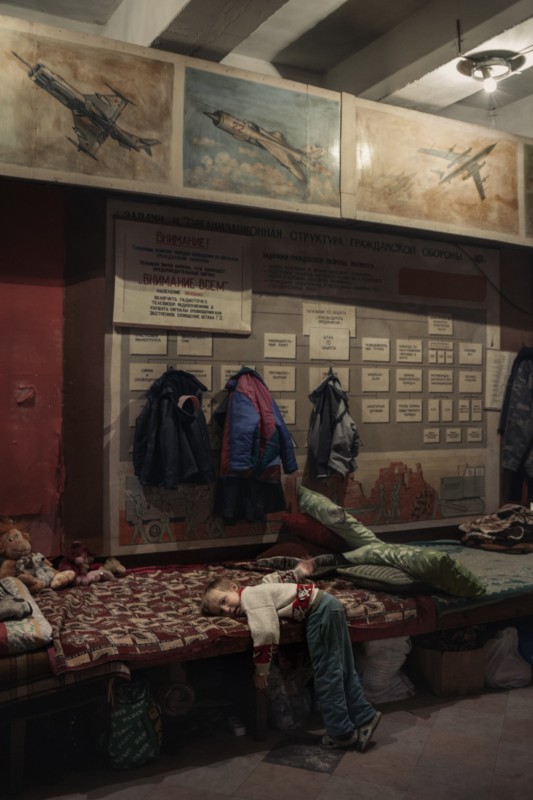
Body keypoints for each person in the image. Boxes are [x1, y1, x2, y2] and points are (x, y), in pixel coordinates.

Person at [201, 557, 381, 751]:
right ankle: (364, 715)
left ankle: (341, 733)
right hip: (329, 604)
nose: (227, 609)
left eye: (224, 601)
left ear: (234, 587)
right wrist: (299, 572)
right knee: (342, 666)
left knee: (327, 674)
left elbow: (266, 632)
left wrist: (261, 671)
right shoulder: (259, 589)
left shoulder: (250, 598)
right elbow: (276, 579)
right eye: (222, 612)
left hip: (319, 612)